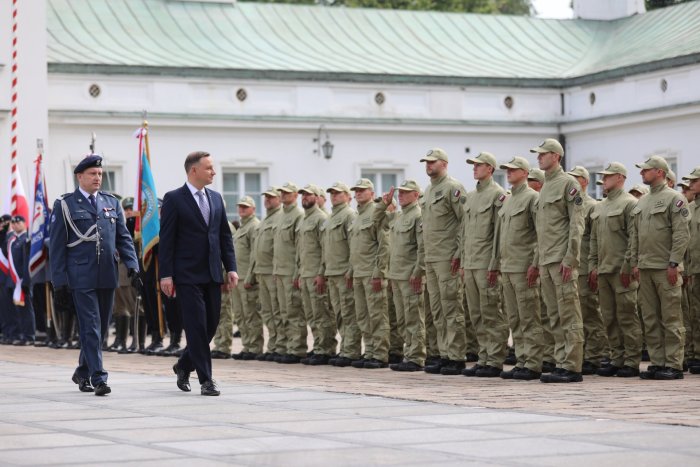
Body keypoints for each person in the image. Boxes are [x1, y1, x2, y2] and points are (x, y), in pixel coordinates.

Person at [49, 154, 139, 396]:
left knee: (99, 327)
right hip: (80, 276)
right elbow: (56, 248)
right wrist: (59, 283)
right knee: (91, 326)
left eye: (100, 174)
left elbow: (123, 238)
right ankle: (99, 377)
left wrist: (133, 266)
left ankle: (82, 371)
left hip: (107, 274)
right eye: (92, 174)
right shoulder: (65, 204)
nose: (98, 177)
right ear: (80, 176)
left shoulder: (111, 203)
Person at [160, 151, 237, 396]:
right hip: (186, 275)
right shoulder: (174, 199)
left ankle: (183, 365)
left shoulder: (215, 198)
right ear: (194, 170)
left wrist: (231, 267)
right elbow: (167, 240)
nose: (213, 172)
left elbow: (224, 236)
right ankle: (206, 380)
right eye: (209, 168)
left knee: (211, 325)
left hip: (213, 273)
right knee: (196, 326)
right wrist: (166, 274)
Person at [530, 138, 585, 383]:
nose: (539, 158)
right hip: (546, 260)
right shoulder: (544, 188)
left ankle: (572, 365)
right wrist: (536, 262)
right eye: (538, 154)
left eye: (543, 154)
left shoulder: (568, 184)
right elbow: (541, 231)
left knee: (568, 313)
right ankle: (561, 361)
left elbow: (576, 223)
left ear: (556, 156)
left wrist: (570, 257)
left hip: (561, 259)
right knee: (553, 315)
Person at [631, 155, 690, 380]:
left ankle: (674, 364)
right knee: (650, 317)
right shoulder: (643, 202)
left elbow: (681, 233)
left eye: (646, 170)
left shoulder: (675, 199)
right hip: (645, 267)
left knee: (671, 316)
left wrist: (674, 262)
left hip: (666, 268)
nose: (642, 173)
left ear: (660, 172)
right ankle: (657, 362)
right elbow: (636, 235)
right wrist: (635, 262)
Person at [588, 162, 642, 378]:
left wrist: (629, 266)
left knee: (627, 316)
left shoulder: (629, 203)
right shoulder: (600, 207)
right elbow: (593, 239)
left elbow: (634, 238)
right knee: (609, 318)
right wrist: (593, 265)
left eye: (608, 176)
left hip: (621, 271)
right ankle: (616, 357)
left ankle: (631, 360)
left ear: (620, 178)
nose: (604, 179)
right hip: (603, 271)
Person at [492, 157, 543, 381]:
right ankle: (522, 359)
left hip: (524, 267)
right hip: (508, 267)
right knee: (515, 317)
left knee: (528, 316)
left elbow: (541, 233)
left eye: (513, 170)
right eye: (507, 170)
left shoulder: (533, 198)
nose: (508, 173)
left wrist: (535, 263)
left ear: (525, 172)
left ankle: (533, 363)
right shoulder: (509, 200)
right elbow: (500, 236)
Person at [420, 148, 468, 376]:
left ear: (444, 164)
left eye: (432, 162)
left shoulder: (453, 188)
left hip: (448, 258)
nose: (428, 166)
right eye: (426, 163)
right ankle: (444, 353)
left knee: (451, 307)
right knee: (437, 310)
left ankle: (456, 356)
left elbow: (464, 223)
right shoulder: (429, 191)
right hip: (431, 257)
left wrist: (459, 253)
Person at [461, 152, 508, 378]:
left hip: (486, 263)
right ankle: (484, 357)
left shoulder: (498, 195)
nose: (474, 169)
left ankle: (495, 359)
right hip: (470, 263)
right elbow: (465, 232)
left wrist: (494, 264)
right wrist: (462, 261)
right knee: (476, 313)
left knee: (491, 312)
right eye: (473, 165)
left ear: (490, 168)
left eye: (478, 165)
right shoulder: (470, 197)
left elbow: (499, 234)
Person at [375, 180, 426, 371]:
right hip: (396, 275)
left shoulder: (418, 216)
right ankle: (409, 354)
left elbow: (422, 247)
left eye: (405, 192)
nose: (400, 195)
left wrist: (418, 271)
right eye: (399, 192)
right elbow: (376, 220)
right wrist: (383, 203)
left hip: (409, 276)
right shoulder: (397, 216)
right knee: (403, 319)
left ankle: (417, 357)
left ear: (416, 195)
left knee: (414, 317)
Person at [567, 166, 608, 375]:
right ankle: (580, 354)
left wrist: (594, 266)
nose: (571, 182)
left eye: (574, 178)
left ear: (584, 181)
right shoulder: (569, 204)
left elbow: (596, 240)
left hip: (585, 266)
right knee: (575, 314)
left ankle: (594, 356)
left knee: (590, 312)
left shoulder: (592, 206)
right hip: (571, 266)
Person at [348, 178, 390, 369]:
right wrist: (351, 271)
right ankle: (370, 350)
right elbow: (355, 247)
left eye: (362, 190)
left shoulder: (376, 213)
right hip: (358, 273)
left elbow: (384, 245)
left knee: (377, 315)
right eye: (356, 190)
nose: (358, 193)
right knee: (363, 315)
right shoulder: (357, 216)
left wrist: (379, 272)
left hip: (371, 273)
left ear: (372, 193)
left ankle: (380, 354)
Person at [296, 185, 336, 365]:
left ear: (317, 197)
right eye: (303, 194)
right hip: (305, 274)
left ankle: (326, 349)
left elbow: (325, 249)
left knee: (322, 313)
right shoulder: (304, 220)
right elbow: (301, 251)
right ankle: (319, 346)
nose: (304, 197)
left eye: (308, 194)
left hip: (316, 274)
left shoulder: (321, 218)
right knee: (311, 315)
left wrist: (321, 273)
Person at [324, 182, 362, 368]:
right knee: (339, 313)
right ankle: (346, 347)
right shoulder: (332, 217)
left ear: (348, 196)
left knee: (348, 312)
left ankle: (352, 350)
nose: (334, 196)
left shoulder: (349, 215)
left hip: (344, 272)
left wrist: (351, 269)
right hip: (332, 272)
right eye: (332, 193)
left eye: (338, 193)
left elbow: (354, 246)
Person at [273, 182, 306, 363]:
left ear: (295, 195)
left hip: (291, 272)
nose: (283, 195)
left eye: (287, 193)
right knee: (283, 312)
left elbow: (299, 248)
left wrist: (296, 272)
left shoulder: (298, 215)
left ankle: (297, 348)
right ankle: (286, 346)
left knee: (294, 311)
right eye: (282, 193)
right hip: (280, 271)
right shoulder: (281, 216)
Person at [527, 168, 556, 373]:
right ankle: (547, 355)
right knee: (543, 313)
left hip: (546, 261)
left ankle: (553, 356)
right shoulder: (537, 200)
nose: (529, 183)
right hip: (541, 261)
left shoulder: (536, 201)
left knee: (550, 313)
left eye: (532, 180)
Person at [252, 187, 283, 361]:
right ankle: (273, 345)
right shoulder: (264, 220)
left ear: (278, 199)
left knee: (277, 310)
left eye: (271, 198)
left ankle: (280, 345)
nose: (267, 200)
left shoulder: (280, 217)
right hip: (261, 272)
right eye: (266, 198)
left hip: (273, 271)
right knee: (267, 312)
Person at [231, 196, 262, 360]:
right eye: (240, 207)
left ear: (253, 209)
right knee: (240, 315)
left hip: (247, 278)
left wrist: (251, 276)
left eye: (245, 207)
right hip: (238, 277)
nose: (242, 209)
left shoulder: (254, 226)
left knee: (251, 314)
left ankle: (255, 347)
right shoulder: (242, 228)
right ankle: (247, 345)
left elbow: (255, 255)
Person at [682, 167, 700, 374]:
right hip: (693, 269)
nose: (691, 184)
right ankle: (696, 354)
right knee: (694, 313)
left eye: (695, 181)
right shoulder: (691, 207)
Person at [8, 216, 35, 345]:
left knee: (27, 309)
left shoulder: (26, 240)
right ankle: (23, 335)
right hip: (16, 280)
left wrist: (26, 280)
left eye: (18, 222)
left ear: (24, 223)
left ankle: (29, 336)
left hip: (23, 280)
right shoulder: (14, 241)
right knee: (19, 309)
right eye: (13, 223)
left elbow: (26, 262)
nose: (15, 225)